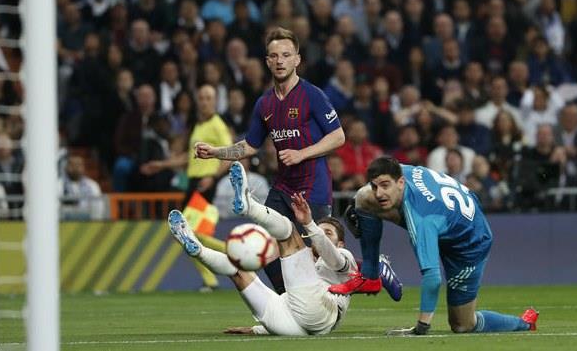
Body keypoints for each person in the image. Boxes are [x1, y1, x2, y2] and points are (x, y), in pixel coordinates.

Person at [194, 27, 346, 294]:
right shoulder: (264, 104)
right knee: (262, 244)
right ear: (267, 61)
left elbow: (338, 137)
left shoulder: (312, 95)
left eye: (286, 55)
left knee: (315, 258)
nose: (280, 61)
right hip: (283, 187)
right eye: (274, 56)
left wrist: (302, 153)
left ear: (297, 59)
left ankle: (320, 304)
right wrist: (216, 152)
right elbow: (250, 145)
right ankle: (286, 300)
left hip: (314, 189)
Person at [329, 156, 538, 335]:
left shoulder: (423, 219)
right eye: (377, 186)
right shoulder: (399, 172)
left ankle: (525, 323)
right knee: (364, 198)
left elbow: (432, 277)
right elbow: (371, 191)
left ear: (400, 182)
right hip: (450, 214)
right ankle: (371, 274)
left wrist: (421, 326)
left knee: (462, 325)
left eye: (385, 186)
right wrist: (361, 211)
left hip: (469, 243)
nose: (380, 193)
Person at [166, 162, 359, 335]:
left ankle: (249, 207)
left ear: (341, 243)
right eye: (320, 231)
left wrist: (309, 224)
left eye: (328, 233)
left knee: (289, 230)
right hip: (293, 321)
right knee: (237, 270)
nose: (322, 235)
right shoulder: (306, 258)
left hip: (322, 310)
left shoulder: (344, 257)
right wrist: (257, 329)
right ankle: (198, 250)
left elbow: (333, 258)